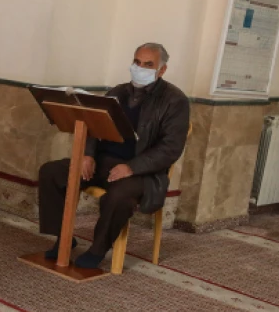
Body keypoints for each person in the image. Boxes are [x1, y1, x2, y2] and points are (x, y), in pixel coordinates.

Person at [38, 43, 190, 269]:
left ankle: (98, 249)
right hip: (102, 162)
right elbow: (92, 123)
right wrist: (88, 155)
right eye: (137, 62)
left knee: (119, 197)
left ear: (162, 70)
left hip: (142, 172)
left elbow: (170, 148)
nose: (140, 68)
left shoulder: (175, 101)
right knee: (51, 172)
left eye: (148, 64)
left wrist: (131, 167)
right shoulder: (118, 92)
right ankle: (64, 238)